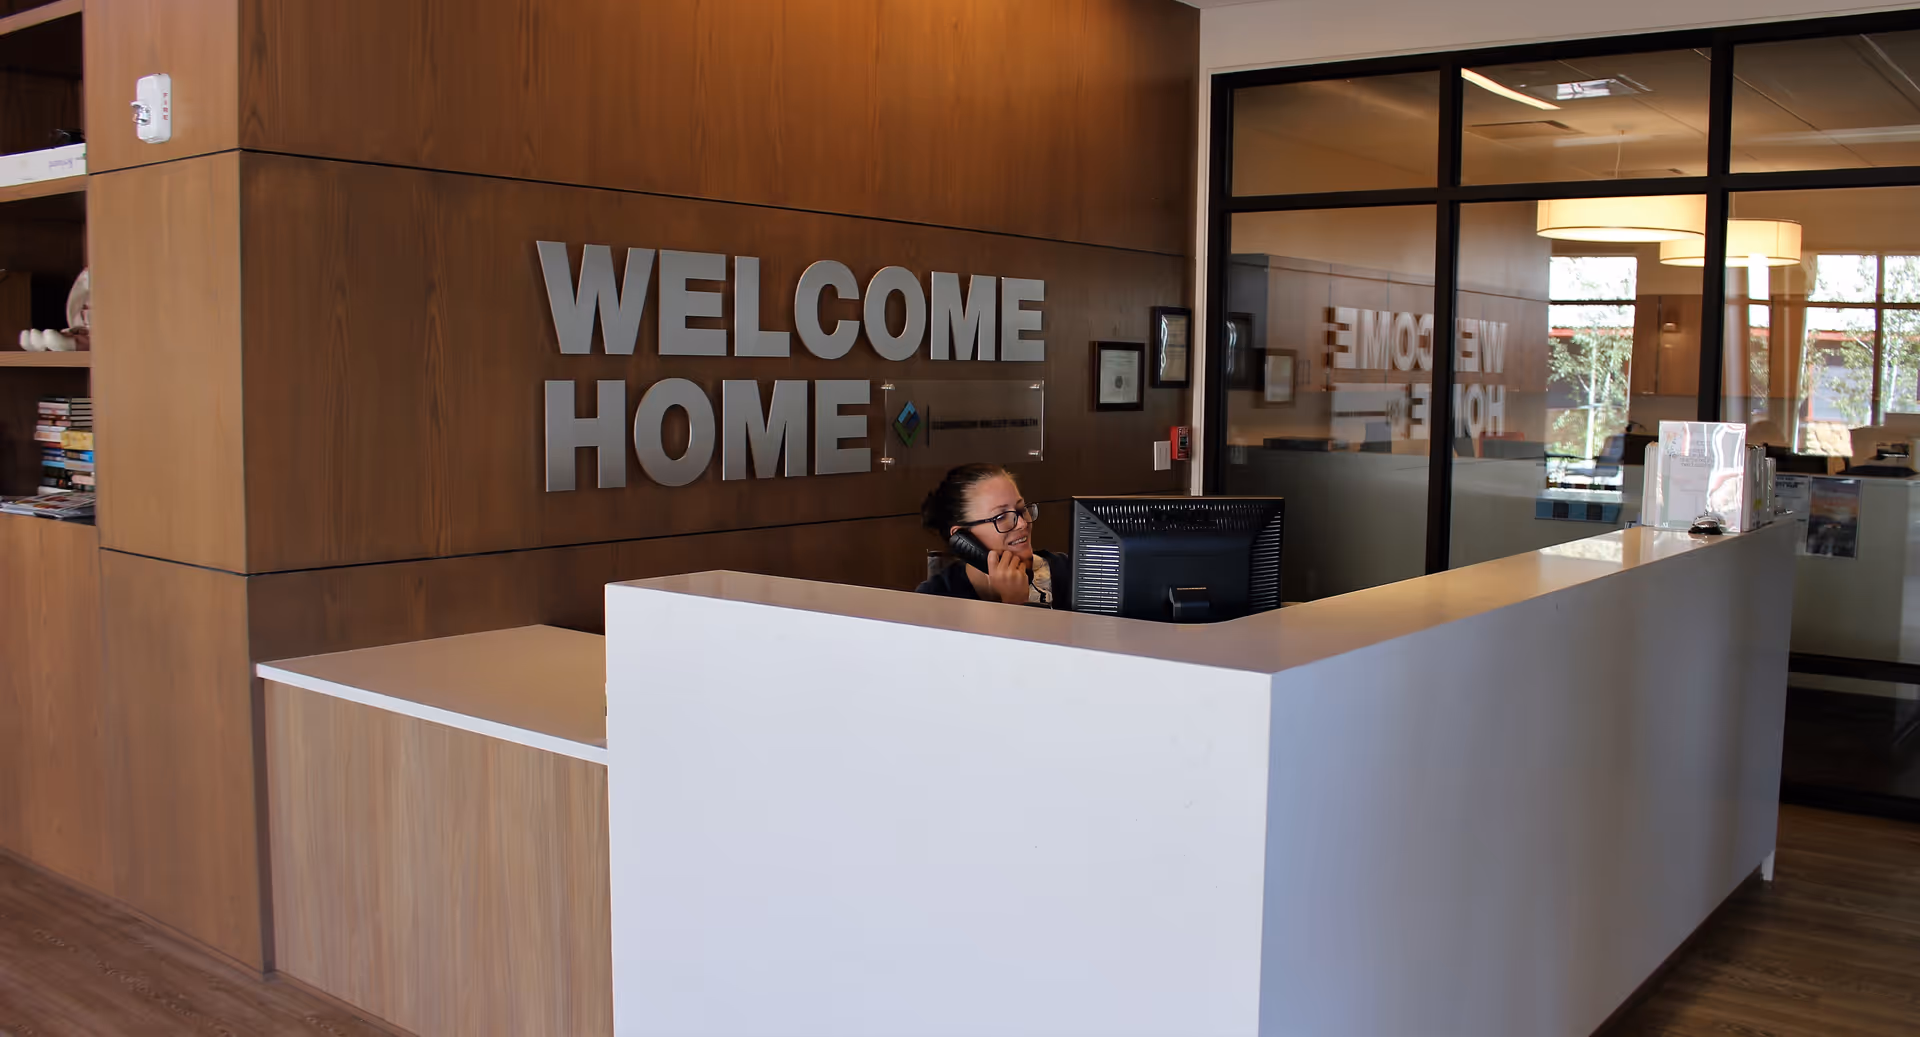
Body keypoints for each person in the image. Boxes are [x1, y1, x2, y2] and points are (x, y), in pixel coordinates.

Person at [915, 464, 1071, 606]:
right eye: (1001, 517)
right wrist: (1015, 604)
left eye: (1021, 510)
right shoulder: (934, 599)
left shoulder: (1068, 573)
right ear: (963, 538)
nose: (1022, 523)